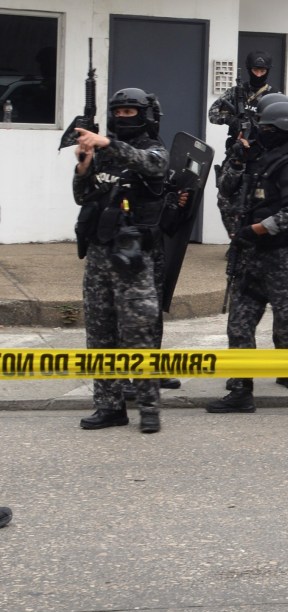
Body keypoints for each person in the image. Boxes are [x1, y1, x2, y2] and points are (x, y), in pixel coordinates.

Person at [205, 102, 288, 416]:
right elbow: (230, 190)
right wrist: (238, 161)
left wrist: (254, 231)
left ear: (280, 131)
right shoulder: (263, 157)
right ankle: (241, 392)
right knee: (239, 326)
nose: (260, 133)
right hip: (252, 258)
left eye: (266, 129)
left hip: (280, 258)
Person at [72, 88, 168, 434]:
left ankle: (149, 408)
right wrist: (83, 166)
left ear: (143, 115)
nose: (124, 117)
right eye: (120, 112)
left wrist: (106, 144)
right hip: (99, 255)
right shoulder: (101, 153)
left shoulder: (153, 149)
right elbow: (82, 196)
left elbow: (153, 165)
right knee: (99, 335)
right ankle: (109, 407)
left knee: (138, 334)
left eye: (131, 112)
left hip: (135, 258)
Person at [209, 51, 276, 237]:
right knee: (224, 198)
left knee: (258, 200)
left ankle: (252, 239)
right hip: (236, 154)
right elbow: (213, 114)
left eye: (262, 71)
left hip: (261, 155)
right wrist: (231, 120)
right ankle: (235, 238)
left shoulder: (273, 96)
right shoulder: (235, 92)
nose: (259, 74)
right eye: (256, 70)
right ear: (249, 70)